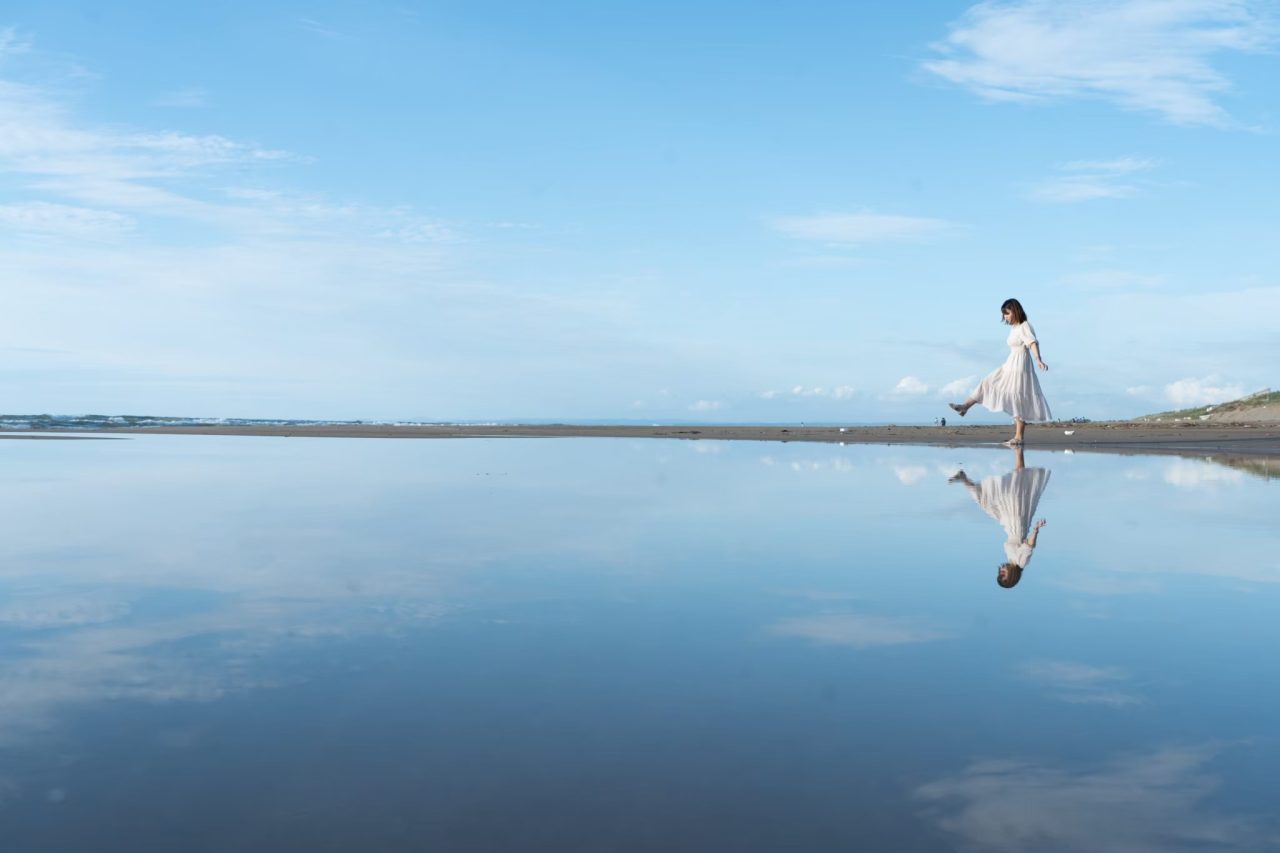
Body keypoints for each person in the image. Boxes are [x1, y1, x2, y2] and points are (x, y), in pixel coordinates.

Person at [949, 298, 1050, 447]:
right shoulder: (1014, 328)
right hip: (1009, 364)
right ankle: (965, 407)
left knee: (1018, 399)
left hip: (1021, 367)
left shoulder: (1024, 326)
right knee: (987, 382)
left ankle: (1019, 437)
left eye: (1007, 314)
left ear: (1015, 311)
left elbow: (1033, 342)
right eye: (1004, 315)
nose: (1005, 317)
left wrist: (1039, 359)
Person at [949, 446, 1049, 588]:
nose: (1001, 572)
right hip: (1017, 520)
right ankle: (1018, 448)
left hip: (1007, 522)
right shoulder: (1021, 562)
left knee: (985, 502)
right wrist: (1036, 530)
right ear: (1011, 578)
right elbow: (1029, 545)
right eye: (1003, 576)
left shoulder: (1011, 558)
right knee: (1018, 480)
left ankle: (964, 478)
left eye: (999, 574)